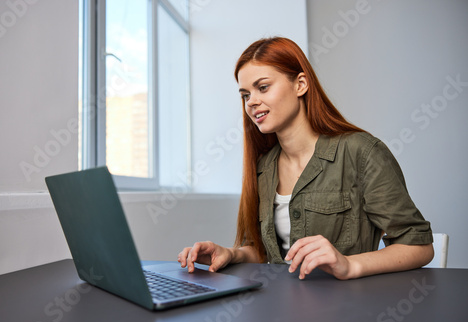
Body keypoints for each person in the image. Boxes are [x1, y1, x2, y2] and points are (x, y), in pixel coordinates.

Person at [178, 37, 434, 280]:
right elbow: (266, 251)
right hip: (280, 308)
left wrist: (350, 265)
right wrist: (231, 253)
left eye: (263, 87)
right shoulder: (263, 167)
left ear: (300, 84)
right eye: (245, 95)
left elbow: (419, 246)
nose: (252, 102)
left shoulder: (361, 152)